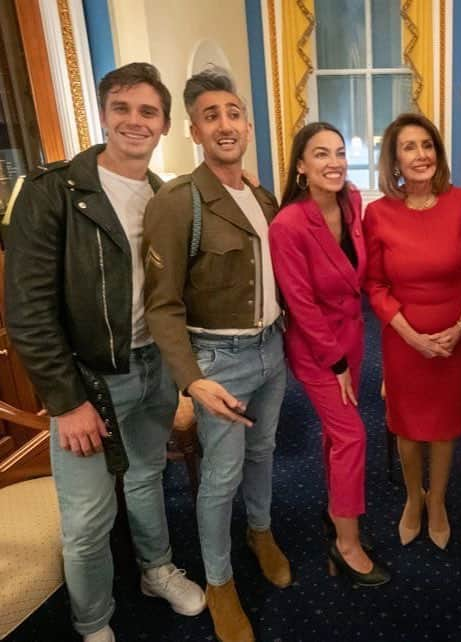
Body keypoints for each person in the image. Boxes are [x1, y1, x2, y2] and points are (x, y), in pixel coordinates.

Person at [3, 63, 204, 642]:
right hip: (89, 382)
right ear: (104, 113)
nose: (134, 121)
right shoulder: (54, 191)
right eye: (123, 108)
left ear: (164, 124)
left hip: (155, 368)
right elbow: (28, 312)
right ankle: (92, 621)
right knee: (88, 517)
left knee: (145, 479)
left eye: (148, 112)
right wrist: (66, 402)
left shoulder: (168, 196)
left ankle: (155, 569)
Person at [143, 67, 289, 642]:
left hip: (270, 351)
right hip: (217, 363)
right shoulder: (180, 201)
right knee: (219, 479)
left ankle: (260, 532)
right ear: (193, 131)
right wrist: (192, 380)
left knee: (265, 452)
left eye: (233, 114)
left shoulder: (261, 195)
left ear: (248, 126)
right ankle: (221, 582)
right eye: (211, 117)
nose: (224, 125)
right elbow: (162, 305)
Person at [269, 122, 390, 587]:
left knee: (336, 434)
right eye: (321, 154)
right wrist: (335, 361)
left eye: (339, 152)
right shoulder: (289, 225)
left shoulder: (352, 200)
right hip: (318, 350)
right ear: (301, 166)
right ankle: (345, 545)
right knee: (352, 436)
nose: (334, 162)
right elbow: (300, 304)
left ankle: (332, 509)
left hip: (355, 338)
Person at [363, 113, 461, 550]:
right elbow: (375, 285)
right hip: (403, 339)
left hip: (455, 336)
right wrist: (410, 335)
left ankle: (436, 500)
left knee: (445, 425)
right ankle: (411, 500)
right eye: (409, 147)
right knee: (406, 425)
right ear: (394, 159)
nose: (421, 155)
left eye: (427, 145)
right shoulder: (377, 213)